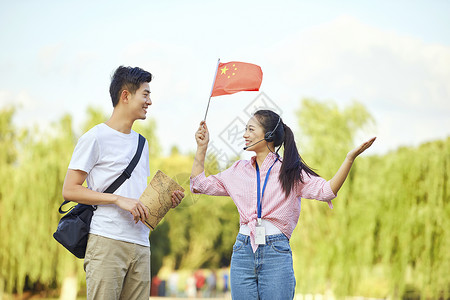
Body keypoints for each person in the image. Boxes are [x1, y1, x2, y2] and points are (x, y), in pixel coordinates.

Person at [190, 109, 375, 299]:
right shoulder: (238, 170)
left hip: (276, 253)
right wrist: (201, 148)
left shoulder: (290, 172)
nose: (245, 134)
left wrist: (349, 158)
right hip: (242, 252)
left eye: (251, 129)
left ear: (269, 136)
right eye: (246, 129)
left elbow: (327, 191)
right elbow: (198, 185)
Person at [62, 66, 184, 300]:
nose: (150, 101)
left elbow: (135, 197)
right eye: (145, 94)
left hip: (140, 243)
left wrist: (164, 202)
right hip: (107, 240)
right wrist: (117, 199)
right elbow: (69, 189)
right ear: (125, 96)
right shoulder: (95, 137)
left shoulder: (142, 143)